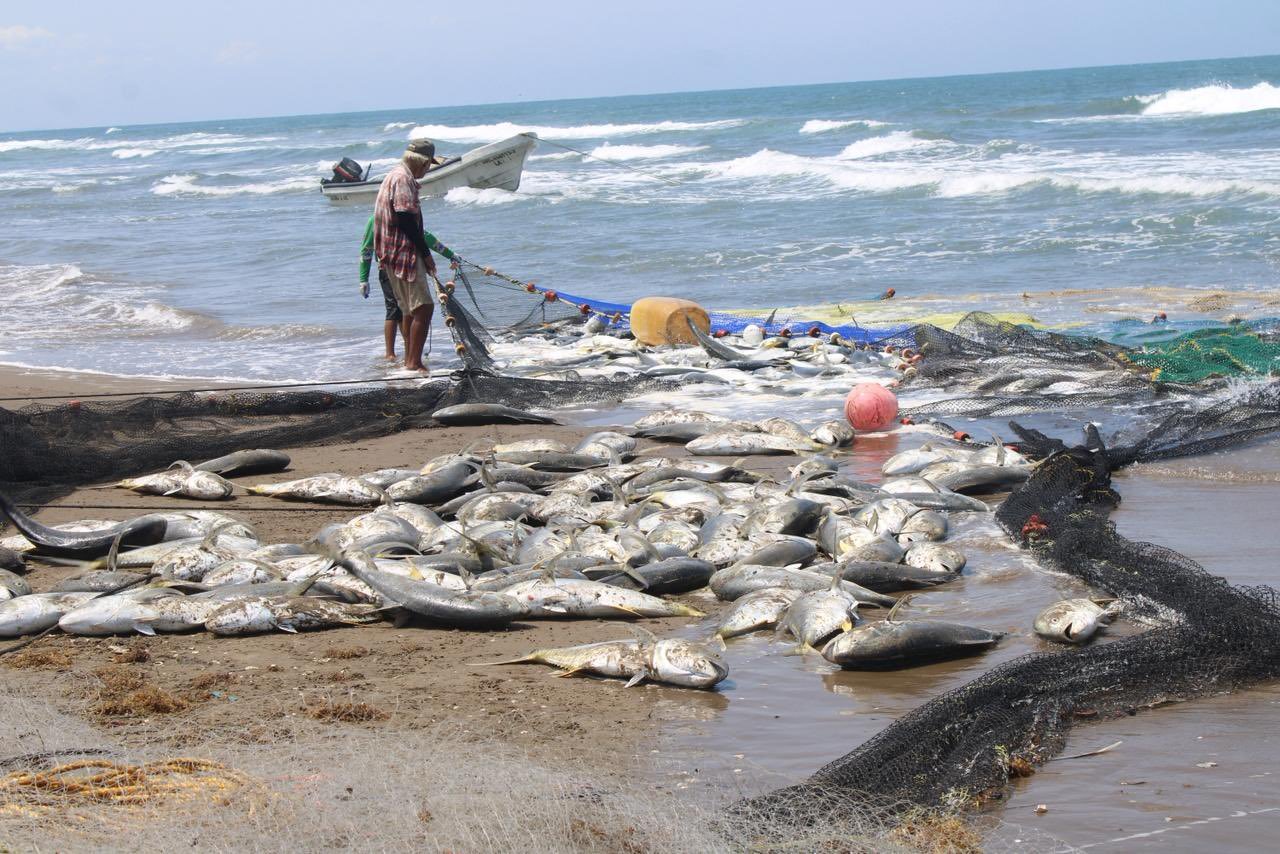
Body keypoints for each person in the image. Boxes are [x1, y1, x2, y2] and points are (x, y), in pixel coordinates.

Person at [373, 139, 444, 374]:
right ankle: (414, 363)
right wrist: (426, 254)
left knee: (408, 310)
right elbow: (405, 219)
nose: (428, 169)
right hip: (403, 253)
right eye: (428, 164)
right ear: (422, 162)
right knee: (424, 308)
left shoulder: (394, 175)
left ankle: (408, 361)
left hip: (391, 254)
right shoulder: (403, 179)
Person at [359, 214, 456, 362]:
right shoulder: (376, 219)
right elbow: (367, 249)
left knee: (407, 310)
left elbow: (424, 237)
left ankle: (408, 354)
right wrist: (363, 279)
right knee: (395, 310)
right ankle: (391, 354)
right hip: (388, 270)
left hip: (407, 268)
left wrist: (450, 254)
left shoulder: (401, 214)